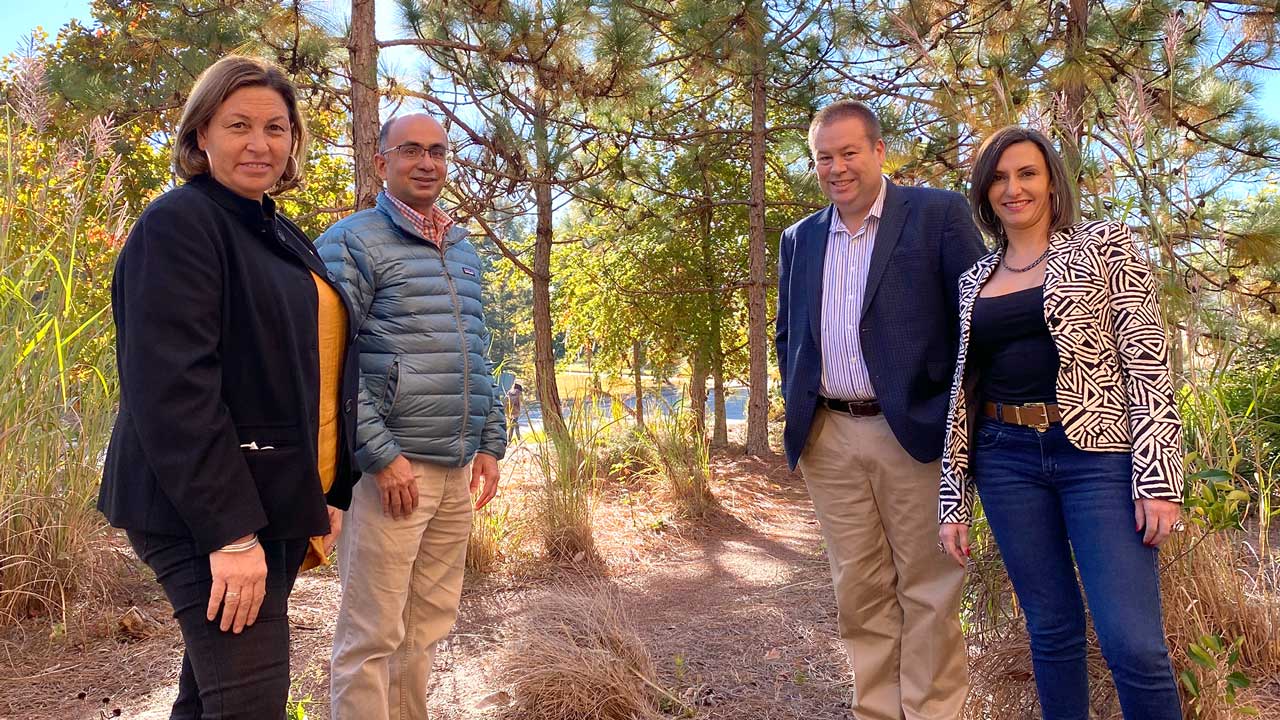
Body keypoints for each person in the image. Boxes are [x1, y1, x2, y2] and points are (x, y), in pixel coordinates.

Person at [99, 55, 360, 718]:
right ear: (200, 136)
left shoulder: (275, 231)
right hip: (201, 510)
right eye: (238, 124)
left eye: (276, 128)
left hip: (269, 500)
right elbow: (173, 390)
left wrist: (322, 490)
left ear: (294, 141)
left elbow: (306, 370)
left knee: (210, 699)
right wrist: (230, 535)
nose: (259, 143)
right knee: (249, 704)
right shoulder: (180, 224)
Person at [938, 125, 1184, 720]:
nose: (1012, 188)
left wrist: (1160, 479)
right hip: (1005, 459)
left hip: (1098, 459)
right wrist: (952, 499)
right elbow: (963, 393)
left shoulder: (1104, 247)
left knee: (1133, 643)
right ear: (983, 192)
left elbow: (1146, 364)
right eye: (998, 178)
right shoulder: (975, 280)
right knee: (1051, 630)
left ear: (1051, 182)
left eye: (1026, 173)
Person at [775, 100, 987, 719]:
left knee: (928, 589)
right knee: (859, 593)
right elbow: (792, 332)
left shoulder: (937, 216)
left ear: (878, 152)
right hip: (830, 438)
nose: (837, 168)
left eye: (848, 153)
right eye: (824, 158)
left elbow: (974, 321)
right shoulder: (801, 238)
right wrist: (800, 400)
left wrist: (959, 423)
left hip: (914, 433)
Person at [317, 113, 507, 720]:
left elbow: (476, 349)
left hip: (454, 470)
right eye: (410, 151)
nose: (426, 162)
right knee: (371, 636)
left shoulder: (460, 246)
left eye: (438, 151)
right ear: (382, 161)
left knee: (425, 628)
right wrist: (380, 456)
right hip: (390, 475)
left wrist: (490, 441)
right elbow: (328, 361)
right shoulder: (351, 241)